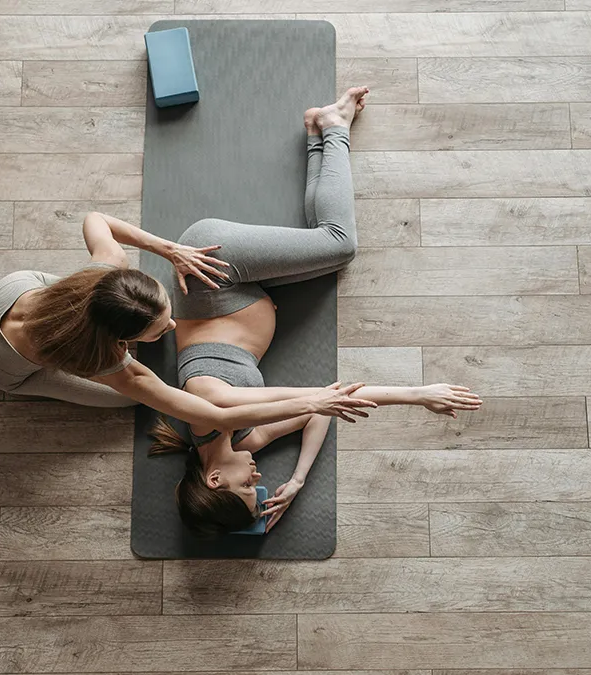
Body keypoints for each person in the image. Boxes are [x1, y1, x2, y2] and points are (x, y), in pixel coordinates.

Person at [148, 86, 483, 535]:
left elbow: (323, 396)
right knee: (335, 254)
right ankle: (317, 130)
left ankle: (335, 127)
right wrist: (299, 479)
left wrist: (420, 395)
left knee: (339, 242)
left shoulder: (209, 410)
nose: (258, 480)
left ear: (214, 479)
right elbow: (315, 412)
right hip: (247, 290)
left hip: (213, 265)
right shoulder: (245, 437)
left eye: (247, 489)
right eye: (259, 491)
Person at [0, 196, 376, 430]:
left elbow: (96, 218)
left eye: (165, 314)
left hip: (8, 297)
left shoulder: (105, 269)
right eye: (160, 329)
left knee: (62, 302)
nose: (175, 325)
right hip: (9, 369)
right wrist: (312, 404)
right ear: (115, 343)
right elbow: (214, 414)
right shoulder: (109, 364)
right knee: (128, 404)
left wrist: (169, 250)